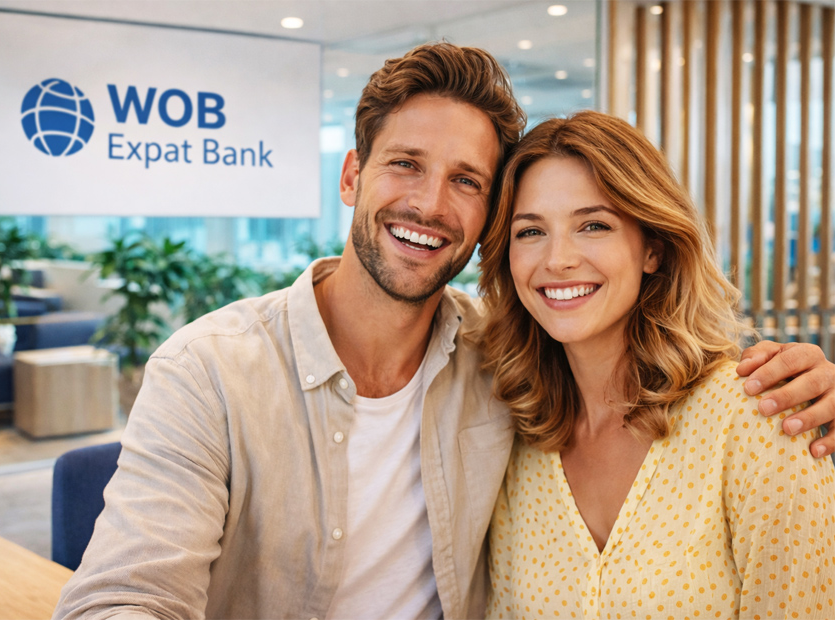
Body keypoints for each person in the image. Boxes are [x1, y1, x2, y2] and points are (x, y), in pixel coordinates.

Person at [55, 45, 835, 620]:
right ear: (352, 176)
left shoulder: (504, 362)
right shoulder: (211, 370)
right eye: (405, 166)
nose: (430, 205)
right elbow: (128, 594)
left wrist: (810, 374)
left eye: (466, 181)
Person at [480, 111, 835, 618]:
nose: (557, 259)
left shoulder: (759, 417)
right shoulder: (518, 440)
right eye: (530, 231)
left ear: (653, 248)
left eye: (593, 225)